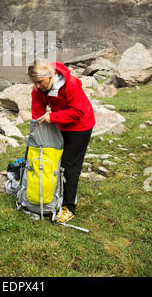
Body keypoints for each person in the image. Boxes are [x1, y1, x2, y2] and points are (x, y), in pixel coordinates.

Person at [27, 59, 95, 224]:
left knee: (69, 166)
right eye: (34, 83)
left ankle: (68, 207)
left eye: (40, 82)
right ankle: (51, 196)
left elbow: (78, 111)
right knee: (51, 160)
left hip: (80, 125)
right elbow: (37, 107)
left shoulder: (70, 84)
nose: (37, 86)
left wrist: (53, 117)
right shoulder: (39, 88)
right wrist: (37, 133)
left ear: (50, 76)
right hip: (60, 124)